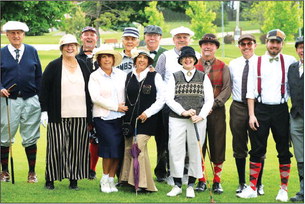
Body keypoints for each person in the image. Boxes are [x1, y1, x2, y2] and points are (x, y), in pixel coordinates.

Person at [236, 29, 296, 202]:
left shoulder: (290, 61)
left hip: (281, 110)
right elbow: (250, 91)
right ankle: (253, 187)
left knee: (284, 150)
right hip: (260, 110)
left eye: (278, 43)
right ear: (267, 43)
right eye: (271, 42)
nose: (274, 45)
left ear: (282, 44)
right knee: (256, 149)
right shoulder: (257, 62)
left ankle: (283, 189)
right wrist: (251, 115)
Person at [39, 34, 92, 190]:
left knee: (77, 148)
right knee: (56, 148)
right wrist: (44, 111)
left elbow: (90, 90)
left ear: (77, 47)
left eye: (73, 45)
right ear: (61, 48)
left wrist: (90, 115)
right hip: (58, 115)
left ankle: (73, 179)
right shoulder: (53, 65)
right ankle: (50, 179)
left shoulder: (83, 65)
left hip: (80, 114)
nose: (70, 48)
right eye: (66, 45)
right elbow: (44, 90)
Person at [166, 46, 213, 198]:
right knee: (175, 150)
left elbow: (209, 99)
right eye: (184, 58)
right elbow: (168, 98)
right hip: (177, 119)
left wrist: (202, 115)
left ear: (194, 60)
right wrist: (183, 111)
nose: (187, 60)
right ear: (181, 60)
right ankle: (178, 184)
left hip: (197, 120)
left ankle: (191, 185)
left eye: (190, 58)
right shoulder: (174, 76)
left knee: (195, 151)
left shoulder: (203, 76)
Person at [155, 26, 200, 185]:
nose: (182, 40)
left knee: (190, 140)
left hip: (192, 106)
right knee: (171, 141)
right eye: (178, 37)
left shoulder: (197, 56)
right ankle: (170, 172)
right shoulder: (165, 56)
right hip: (169, 106)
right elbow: (158, 80)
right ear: (173, 39)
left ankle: (187, 172)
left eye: (185, 37)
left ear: (190, 39)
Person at [0, 21, 42, 183]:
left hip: (31, 100)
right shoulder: (2, 53)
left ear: (23, 34)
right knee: (5, 135)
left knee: (31, 136)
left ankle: (32, 173)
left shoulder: (31, 51)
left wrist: (41, 99)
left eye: (19, 33)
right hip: (8, 100)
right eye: (12, 33)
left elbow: (39, 76)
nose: (16, 36)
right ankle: (4, 171)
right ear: (7, 35)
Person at [119, 48, 165, 192]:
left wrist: (148, 113)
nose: (142, 60)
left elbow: (161, 99)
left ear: (149, 61)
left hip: (147, 119)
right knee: (128, 148)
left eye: (145, 58)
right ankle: (125, 179)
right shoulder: (128, 76)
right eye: (139, 57)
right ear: (134, 60)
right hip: (129, 119)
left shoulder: (155, 76)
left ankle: (140, 183)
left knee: (137, 147)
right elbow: (123, 96)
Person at [195, 34, 231, 194]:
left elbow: (226, 89)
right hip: (197, 112)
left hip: (216, 112)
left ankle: (217, 181)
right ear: (201, 47)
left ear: (216, 47)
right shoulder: (193, 65)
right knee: (198, 145)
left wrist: (213, 105)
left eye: (211, 44)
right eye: (205, 44)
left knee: (217, 144)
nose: (207, 47)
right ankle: (201, 179)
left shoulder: (223, 66)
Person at [88, 45, 128, 193]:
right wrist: (115, 106)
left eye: (109, 57)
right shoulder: (95, 76)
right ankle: (104, 179)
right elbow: (95, 97)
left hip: (120, 118)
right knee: (108, 149)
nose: (106, 59)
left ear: (113, 59)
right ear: (99, 60)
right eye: (103, 57)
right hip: (103, 117)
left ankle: (111, 180)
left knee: (118, 150)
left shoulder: (121, 74)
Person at [228, 34, 265, 195]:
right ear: (239, 46)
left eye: (249, 43)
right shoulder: (233, 64)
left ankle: (258, 183)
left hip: (258, 106)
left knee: (258, 145)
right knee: (239, 145)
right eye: (243, 44)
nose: (246, 47)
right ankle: (242, 182)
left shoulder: (262, 63)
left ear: (255, 45)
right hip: (238, 107)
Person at [143, 25, 168, 182]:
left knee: (163, 140)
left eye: (155, 35)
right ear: (145, 37)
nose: (152, 38)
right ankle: (138, 171)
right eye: (149, 35)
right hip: (143, 103)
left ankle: (161, 172)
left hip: (162, 103)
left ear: (160, 37)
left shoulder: (166, 54)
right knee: (140, 139)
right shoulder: (140, 53)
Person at [76, 26, 99, 180]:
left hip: (98, 103)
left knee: (96, 138)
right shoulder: (75, 58)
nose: (89, 37)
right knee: (80, 137)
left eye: (92, 35)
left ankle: (92, 169)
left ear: (96, 38)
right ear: (82, 38)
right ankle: (79, 167)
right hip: (79, 102)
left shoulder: (102, 56)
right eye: (86, 35)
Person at [288, 36, 303, 202]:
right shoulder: (292, 68)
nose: (303, 50)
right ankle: (302, 191)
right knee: (300, 157)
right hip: (296, 117)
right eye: (300, 47)